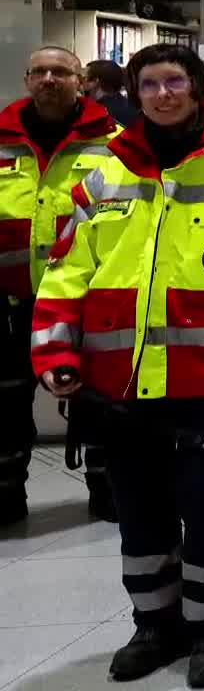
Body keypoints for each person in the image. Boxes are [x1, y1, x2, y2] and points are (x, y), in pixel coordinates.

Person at [33, 42, 204, 686]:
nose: (161, 94)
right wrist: (55, 349)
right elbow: (66, 272)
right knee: (139, 513)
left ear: (197, 87)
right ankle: (153, 625)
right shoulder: (100, 175)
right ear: (135, 92)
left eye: (173, 81)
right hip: (116, 382)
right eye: (148, 84)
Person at [0, 46, 120, 526]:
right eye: (40, 72)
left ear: (81, 80)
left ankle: (107, 490)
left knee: (98, 401)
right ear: (28, 79)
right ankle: (6, 493)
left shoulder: (114, 142)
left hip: (85, 300)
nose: (49, 79)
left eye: (61, 72)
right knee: (6, 404)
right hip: (9, 300)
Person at [81, 59, 140, 127]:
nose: (80, 81)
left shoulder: (99, 112)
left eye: (84, 77)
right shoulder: (130, 106)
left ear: (96, 81)